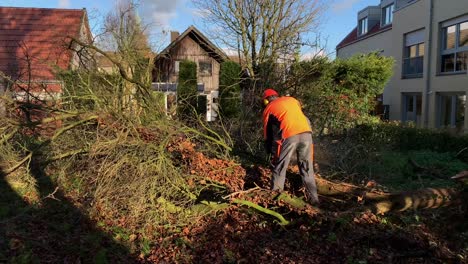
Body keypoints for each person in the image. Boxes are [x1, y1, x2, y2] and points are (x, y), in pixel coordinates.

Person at [262, 88, 319, 205]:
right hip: (307, 133)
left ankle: (276, 198)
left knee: (280, 167)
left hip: (290, 135)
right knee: (307, 169)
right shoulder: (292, 100)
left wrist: (271, 152)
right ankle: (314, 200)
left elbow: (269, 135)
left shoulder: (268, 109)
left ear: (266, 101)